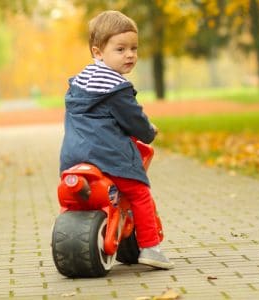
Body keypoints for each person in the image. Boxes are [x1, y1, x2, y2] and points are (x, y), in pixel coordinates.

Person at [59, 10, 174, 270]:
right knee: (140, 193)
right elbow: (133, 119)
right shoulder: (116, 88)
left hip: (74, 158)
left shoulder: (78, 84)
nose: (130, 55)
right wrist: (148, 132)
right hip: (107, 158)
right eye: (120, 49)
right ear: (98, 52)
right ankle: (150, 248)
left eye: (134, 48)